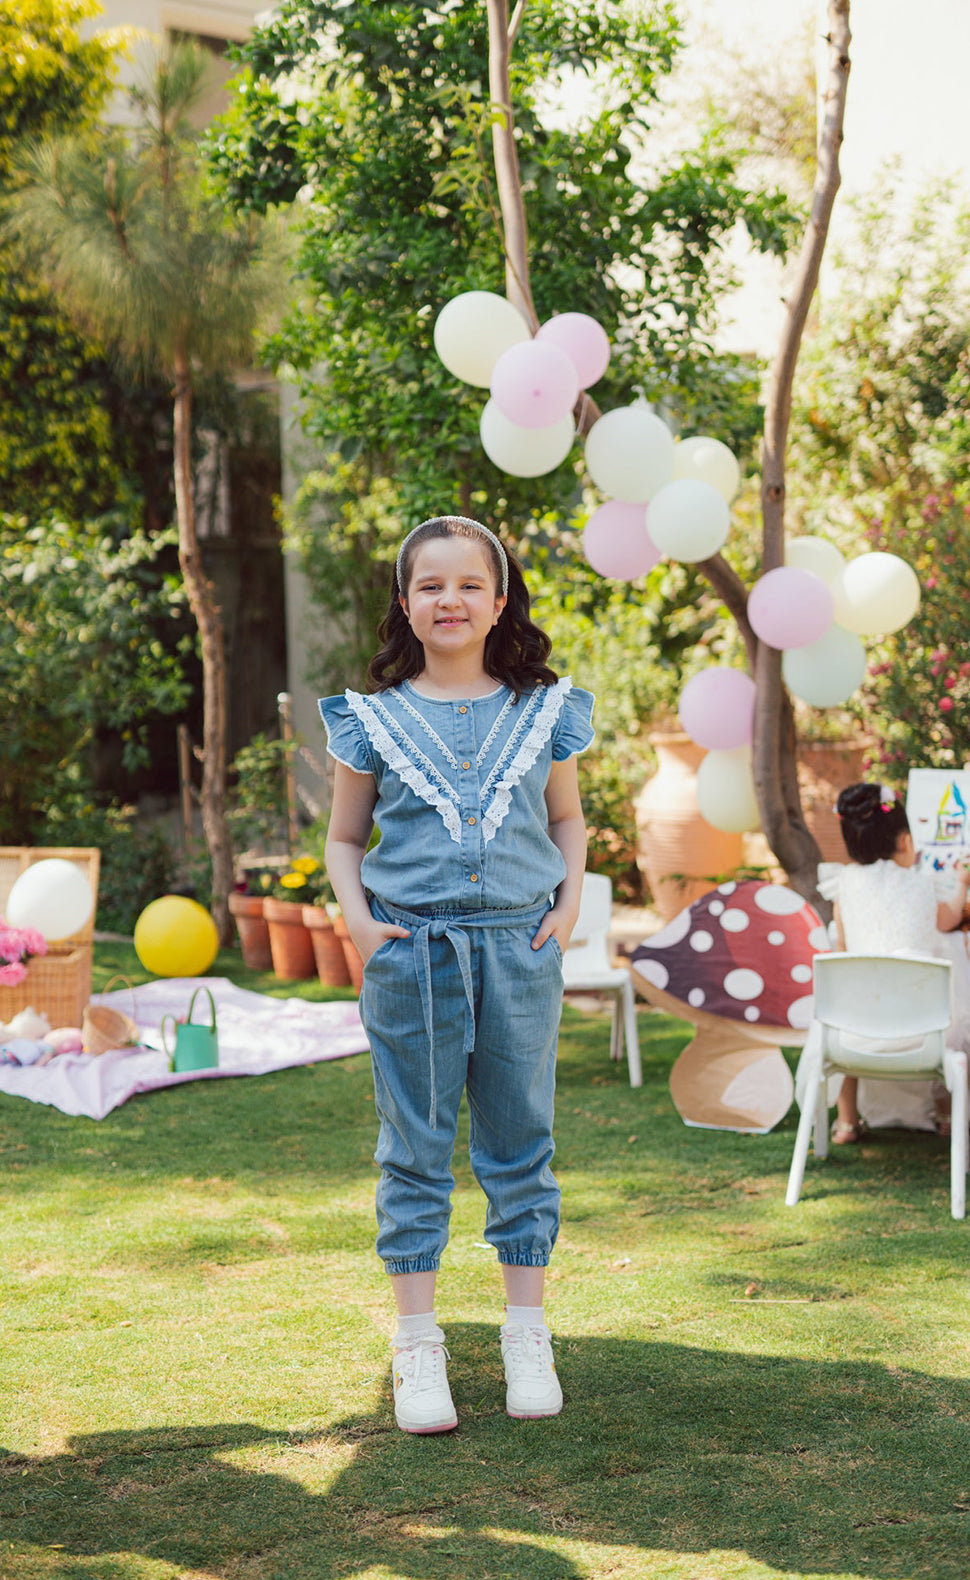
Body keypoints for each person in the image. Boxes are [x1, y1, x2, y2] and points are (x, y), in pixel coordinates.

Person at [320, 514, 593, 1434]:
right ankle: (418, 1345)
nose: (451, 599)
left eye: (470, 584)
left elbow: (566, 821)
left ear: (499, 599)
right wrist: (362, 927)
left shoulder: (542, 710)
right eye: (430, 585)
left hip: (520, 948)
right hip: (413, 954)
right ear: (406, 603)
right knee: (415, 1149)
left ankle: (526, 1331)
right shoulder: (372, 719)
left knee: (521, 1142)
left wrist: (567, 908)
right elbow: (344, 838)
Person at [823, 781, 970, 1143]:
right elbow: (949, 919)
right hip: (923, 1033)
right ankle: (948, 1114)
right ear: (905, 841)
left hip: (854, 1035)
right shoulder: (919, 885)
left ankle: (846, 1122)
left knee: (843, 1010)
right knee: (954, 1018)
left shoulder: (845, 886)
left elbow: (842, 947)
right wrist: (962, 884)